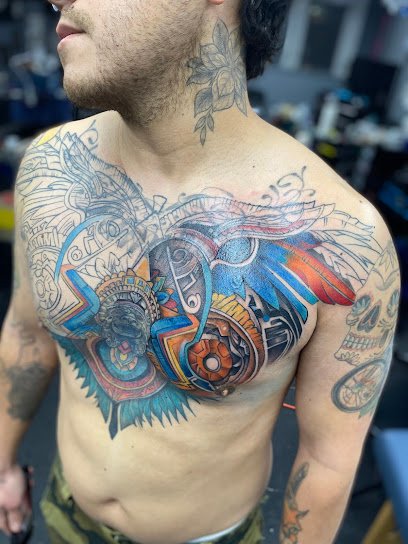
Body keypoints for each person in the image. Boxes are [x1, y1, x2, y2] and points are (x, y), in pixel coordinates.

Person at [0, 0, 401, 543]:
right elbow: (26, 333)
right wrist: (3, 465)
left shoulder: (346, 238)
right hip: (65, 513)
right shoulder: (49, 168)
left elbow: (328, 458)